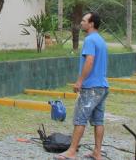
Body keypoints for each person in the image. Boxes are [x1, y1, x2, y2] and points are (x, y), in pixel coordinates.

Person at [56, 11, 109, 160]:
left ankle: (72, 152)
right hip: (103, 87)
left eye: (84, 20)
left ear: (91, 24)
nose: (81, 22)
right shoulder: (101, 40)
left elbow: (90, 61)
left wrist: (79, 81)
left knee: (80, 119)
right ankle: (97, 153)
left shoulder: (90, 40)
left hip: (91, 87)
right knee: (98, 121)